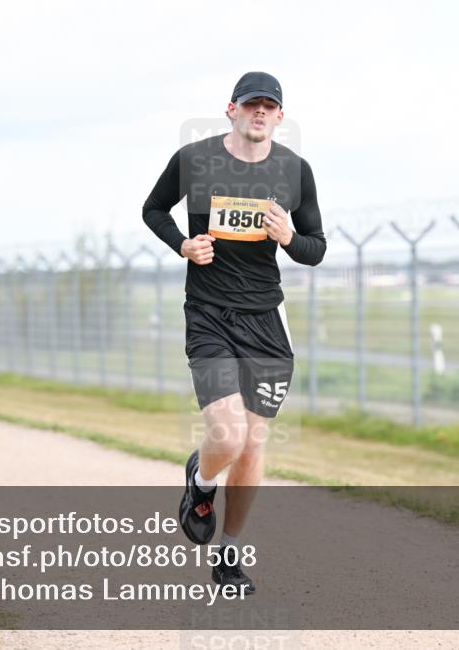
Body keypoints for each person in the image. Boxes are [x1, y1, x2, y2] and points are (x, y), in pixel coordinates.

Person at [142, 72, 326, 594]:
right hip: (208, 312)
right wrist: (182, 245)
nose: (260, 113)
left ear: (280, 118)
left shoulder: (295, 171)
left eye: (269, 107)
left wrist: (290, 238)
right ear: (232, 110)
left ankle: (229, 555)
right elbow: (152, 209)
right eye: (251, 106)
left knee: (252, 445)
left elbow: (316, 246)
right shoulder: (196, 160)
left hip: (267, 320)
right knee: (228, 434)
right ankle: (200, 484)